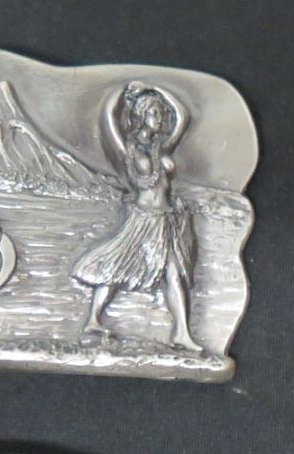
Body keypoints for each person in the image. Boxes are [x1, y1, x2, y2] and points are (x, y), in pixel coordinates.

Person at [71, 81, 201, 350]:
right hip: (142, 219)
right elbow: (109, 119)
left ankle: (182, 334)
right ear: (141, 116)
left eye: (160, 113)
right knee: (115, 266)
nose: (160, 119)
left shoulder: (161, 148)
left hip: (166, 220)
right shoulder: (127, 150)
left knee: (174, 274)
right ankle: (92, 320)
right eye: (154, 113)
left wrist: (156, 88)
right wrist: (122, 90)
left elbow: (183, 117)